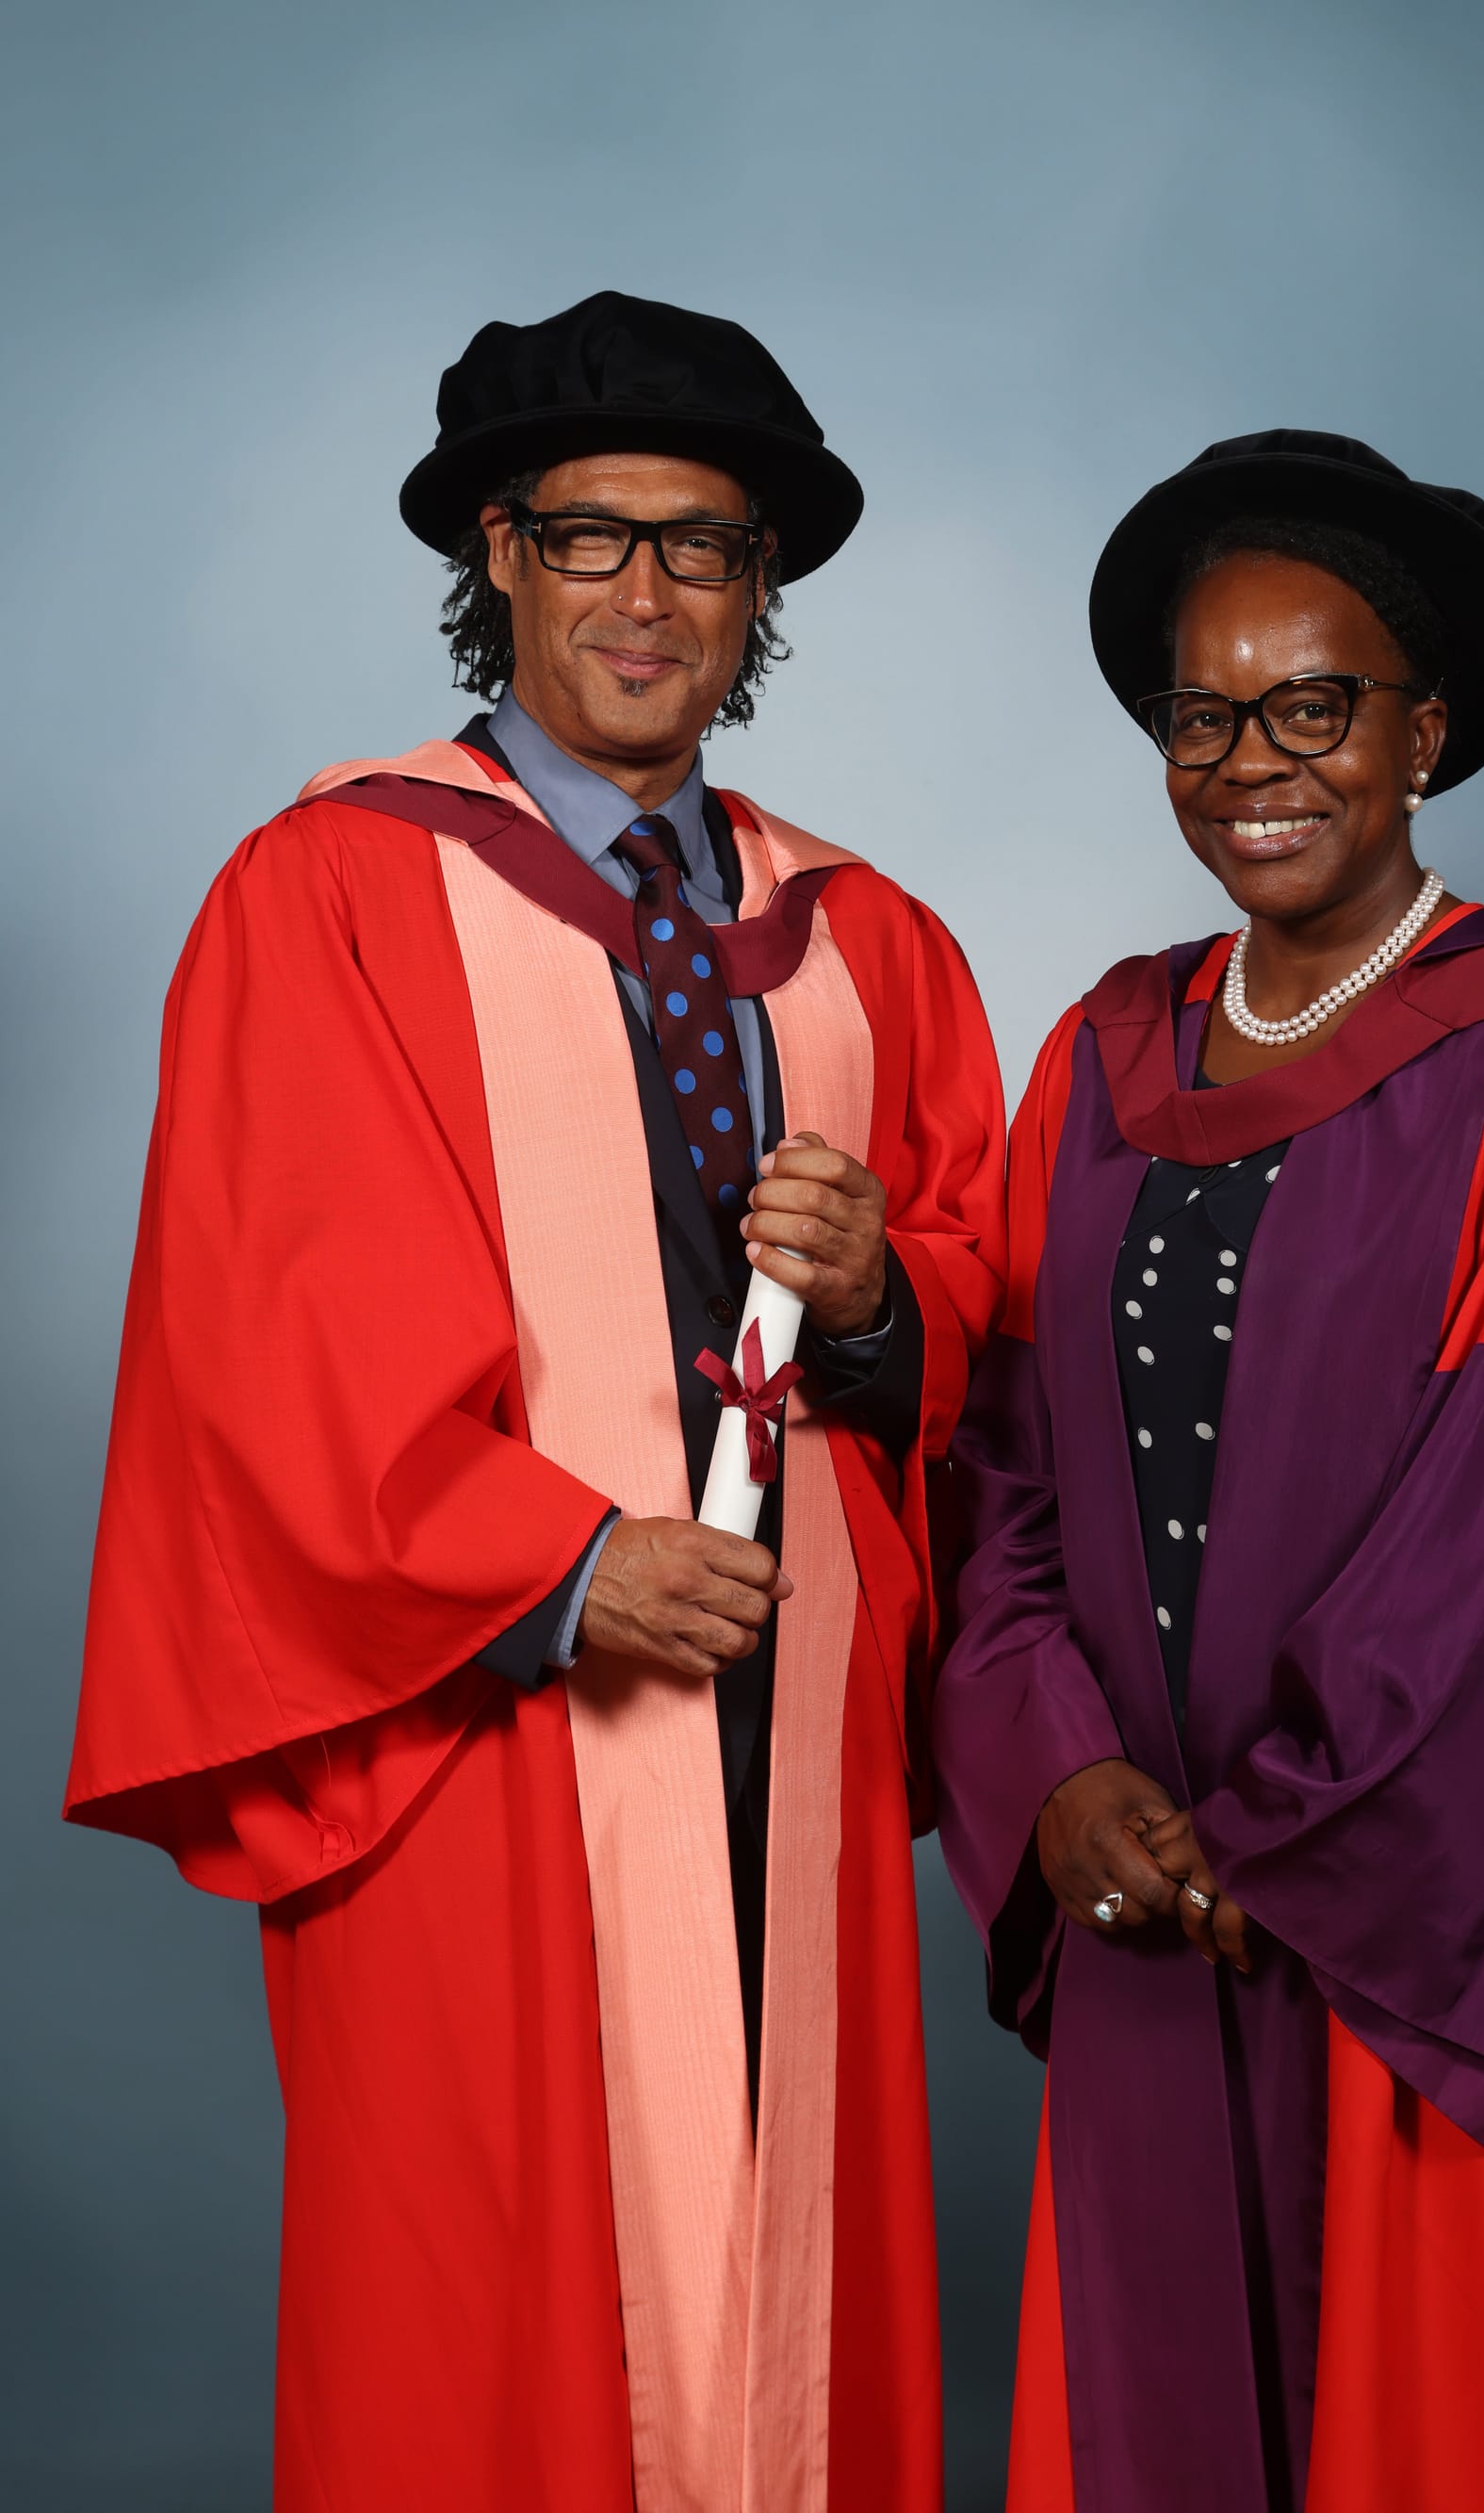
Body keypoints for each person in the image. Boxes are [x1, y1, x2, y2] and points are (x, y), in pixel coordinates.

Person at [65, 291, 1006, 2513]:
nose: (646, 595)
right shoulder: (336, 893)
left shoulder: (870, 937)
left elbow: (984, 1285)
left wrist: (880, 1302)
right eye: (590, 539)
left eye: (702, 549)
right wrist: (573, 1570)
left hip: (795, 1716)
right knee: (487, 2323)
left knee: (785, 2305)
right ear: (497, 554)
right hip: (483, 1719)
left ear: (761, 588)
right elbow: (272, 1336)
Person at [932, 430, 1484, 2513]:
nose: (1252, 759)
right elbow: (1009, 1479)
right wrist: (1056, 1772)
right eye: (1199, 712)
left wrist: (1272, 1835)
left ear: (1423, 731)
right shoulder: (1101, 1061)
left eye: (1312, 702)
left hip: (1453, 1938)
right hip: (1154, 1891)